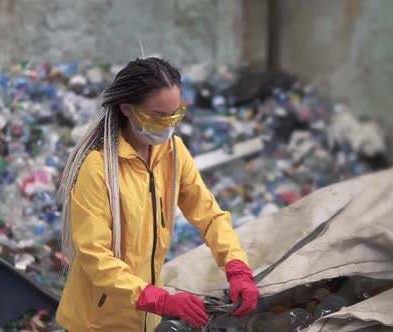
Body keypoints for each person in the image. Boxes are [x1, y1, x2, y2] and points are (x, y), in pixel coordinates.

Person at [56, 57, 259, 331]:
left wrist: (236, 266)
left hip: (145, 319)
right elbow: (95, 257)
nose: (168, 126)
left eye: (175, 115)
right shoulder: (99, 168)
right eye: (157, 117)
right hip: (99, 320)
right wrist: (158, 299)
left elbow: (209, 215)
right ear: (127, 109)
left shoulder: (173, 154)